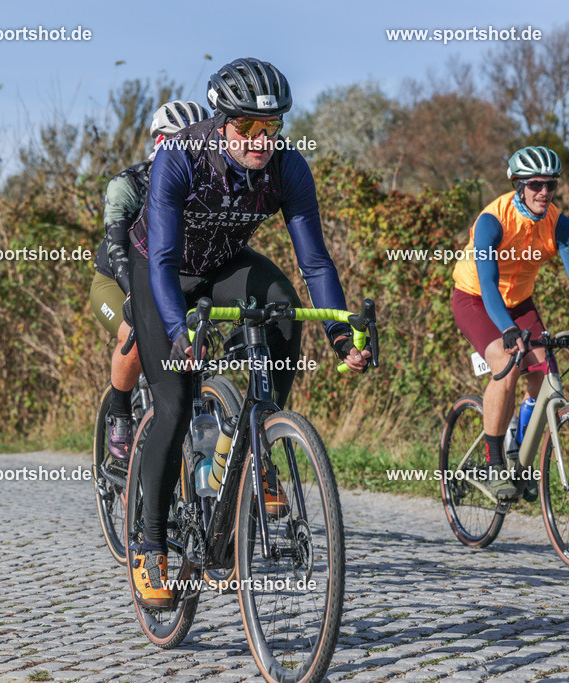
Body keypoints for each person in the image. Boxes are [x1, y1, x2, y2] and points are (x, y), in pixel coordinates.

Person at [127, 57, 370, 606]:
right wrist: (179, 332)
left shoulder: (287, 167)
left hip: (222, 265)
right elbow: (163, 259)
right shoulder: (180, 156)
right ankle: (150, 546)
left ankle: (253, 444)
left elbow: (316, 264)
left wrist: (339, 333)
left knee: (282, 306)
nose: (262, 139)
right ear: (221, 121)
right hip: (161, 271)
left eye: (273, 126)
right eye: (248, 127)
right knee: (175, 399)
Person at [451, 145, 569, 498]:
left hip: (518, 302)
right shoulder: (492, 221)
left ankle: (519, 447)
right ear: (518, 185)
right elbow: (487, 284)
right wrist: (506, 328)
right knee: (505, 364)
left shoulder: (558, 224)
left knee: (545, 374)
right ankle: (493, 464)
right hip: (475, 299)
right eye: (536, 185)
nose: (544, 192)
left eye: (551, 185)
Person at [90, 100, 209, 460]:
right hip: (116, 277)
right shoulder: (128, 184)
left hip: (173, 278)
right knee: (137, 332)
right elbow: (117, 248)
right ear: (159, 144)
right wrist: (133, 296)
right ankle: (121, 412)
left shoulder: (208, 187)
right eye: (179, 143)